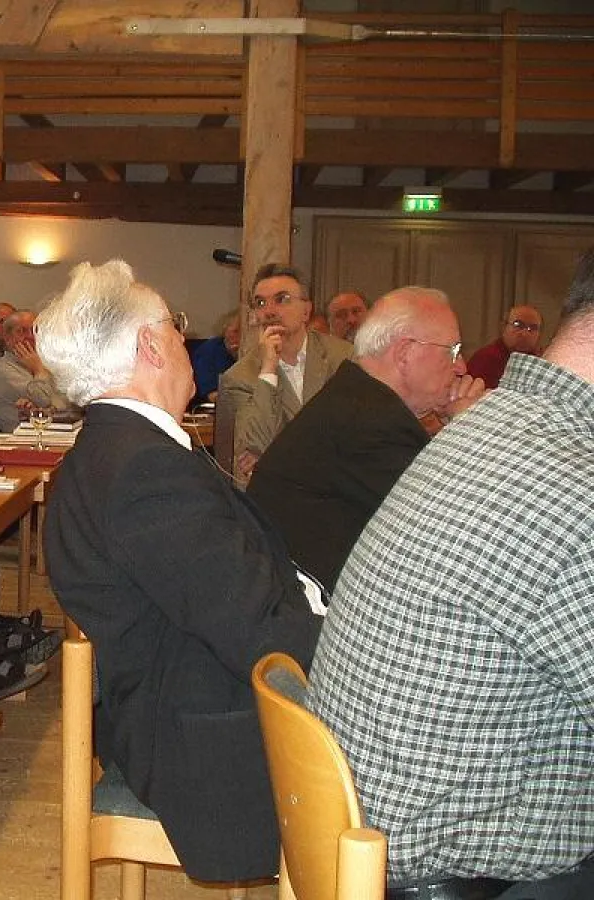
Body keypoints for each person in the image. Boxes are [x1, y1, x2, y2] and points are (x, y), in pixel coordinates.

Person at [307, 250, 594, 900]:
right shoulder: (574, 483)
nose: (462, 366)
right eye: (449, 350)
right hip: (435, 863)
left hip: (358, 814)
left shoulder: (486, 424)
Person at [36, 259, 320, 882]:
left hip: (186, 688)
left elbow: (238, 584)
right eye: (174, 324)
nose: (184, 337)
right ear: (148, 346)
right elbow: (258, 636)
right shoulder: (140, 469)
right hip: (206, 737)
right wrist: (362, 644)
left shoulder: (131, 446)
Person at [247, 287, 485, 592]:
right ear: (404, 353)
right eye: (452, 350)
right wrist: (468, 427)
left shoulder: (356, 400)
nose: (461, 366)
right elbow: (461, 531)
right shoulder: (371, 424)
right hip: (309, 621)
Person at [219, 264, 353, 482]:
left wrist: (276, 455)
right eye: (260, 303)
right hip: (277, 493)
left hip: (338, 486)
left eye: (282, 299)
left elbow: (356, 435)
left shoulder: (344, 358)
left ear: (306, 311)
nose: (270, 311)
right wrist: (269, 368)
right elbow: (255, 446)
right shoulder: (239, 376)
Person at [0, 309, 74, 432]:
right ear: (7, 338)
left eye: (34, 330)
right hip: (19, 440)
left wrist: (55, 407)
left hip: (52, 433)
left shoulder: (47, 363)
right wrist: (38, 370)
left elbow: (71, 402)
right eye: (21, 331)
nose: (30, 336)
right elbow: (43, 401)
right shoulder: (0, 369)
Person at [465, 303, 544, 389]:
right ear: (503, 327)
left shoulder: (541, 361)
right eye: (518, 325)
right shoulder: (486, 358)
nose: (525, 334)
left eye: (533, 328)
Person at [191, 309, 240, 403]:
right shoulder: (208, 350)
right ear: (225, 331)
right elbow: (212, 396)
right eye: (235, 331)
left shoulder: (253, 351)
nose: (240, 336)